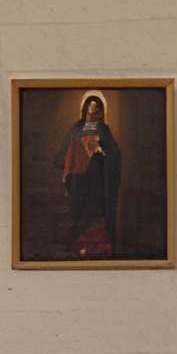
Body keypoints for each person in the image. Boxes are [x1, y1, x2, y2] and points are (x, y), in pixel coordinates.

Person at [56, 92, 121, 258]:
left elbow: (114, 154)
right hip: (78, 179)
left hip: (97, 179)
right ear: (85, 109)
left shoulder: (104, 130)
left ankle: (98, 249)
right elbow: (63, 152)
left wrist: (101, 152)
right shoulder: (77, 128)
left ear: (101, 111)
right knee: (78, 213)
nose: (93, 112)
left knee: (95, 213)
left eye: (97, 108)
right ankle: (76, 249)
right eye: (90, 108)